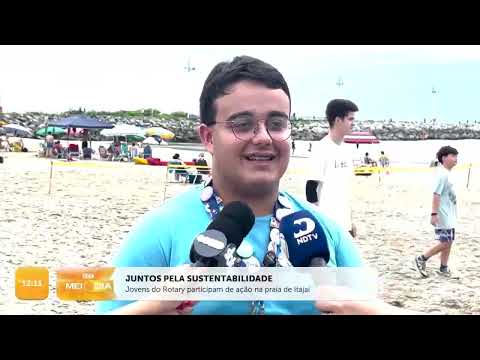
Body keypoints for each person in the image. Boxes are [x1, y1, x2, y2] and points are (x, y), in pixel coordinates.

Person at [96, 55, 364, 315]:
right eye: (243, 125)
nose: (263, 137)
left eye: (277, 124)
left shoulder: (323, 230)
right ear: (208, 137)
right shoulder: (160, 231)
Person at [305, 99, 359, 238]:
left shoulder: (347, 149)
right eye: (350, 119)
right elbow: (311, 188)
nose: (353, 123)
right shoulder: (321, 149)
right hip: (327, 225)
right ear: (338, 120)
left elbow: (346, 189)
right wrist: (317, 223)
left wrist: (350, 221)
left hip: (344, 225)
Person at [415, 146, 459, 278]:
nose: (456, 159)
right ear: (444, 158)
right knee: (445, 241)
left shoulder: (447, 173)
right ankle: (422, 258)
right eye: (453, 156)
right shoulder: (442, 174)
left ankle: (443, 268)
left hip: (450, 213)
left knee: (449, 240)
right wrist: (434, 214)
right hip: (442, 214)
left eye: (457, 156)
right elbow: (436, 194)